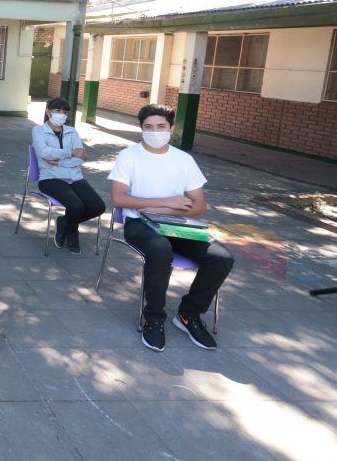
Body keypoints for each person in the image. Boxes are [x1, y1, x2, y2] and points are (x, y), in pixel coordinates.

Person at [108, 104, 234, 352]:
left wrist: (166, 210)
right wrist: (167, 201)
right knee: (160, 250)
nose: (155, 131)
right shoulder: (129, 156)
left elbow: (199, 206)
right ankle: (153, 318)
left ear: (171, 129)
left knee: (221, 258)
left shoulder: (183, 159)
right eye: (148, 127)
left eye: (161, 126)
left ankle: (189, 314)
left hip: (177, 224)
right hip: (139, 224)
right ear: (141, 129)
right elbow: (119, 199)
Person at [31, 97, 106, 254]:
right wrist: (70, 153)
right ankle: (73, 233)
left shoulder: (72, 132)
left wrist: (57, 161)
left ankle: (65, 222)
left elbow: (80, 158)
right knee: (76, 206)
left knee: (98, 207)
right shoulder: (38, 131)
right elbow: (44, 152)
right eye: (58, 110)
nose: (62, 114)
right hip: (50, 178)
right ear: (48, 112)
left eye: (64, 112)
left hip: (74, 176)